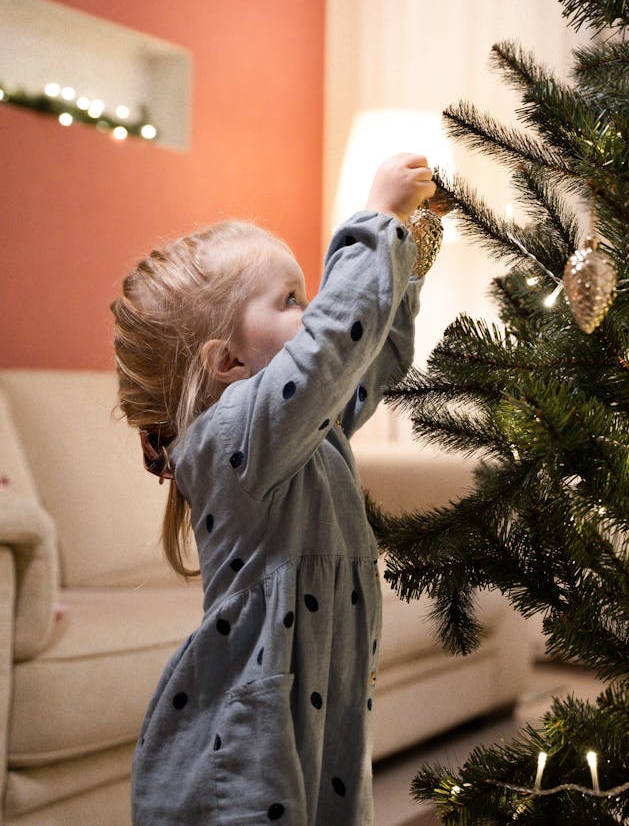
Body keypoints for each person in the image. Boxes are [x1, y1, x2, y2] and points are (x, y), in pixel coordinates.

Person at [111, 153, 443, 826]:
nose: (314, 306)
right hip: (250, 734)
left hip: (321, 709)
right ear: (228, 361)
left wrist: (406, 261)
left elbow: (365, 360)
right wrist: (376, 220)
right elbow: (330, 348)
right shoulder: (232, 437)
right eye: (292, 299)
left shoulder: (300, 431)